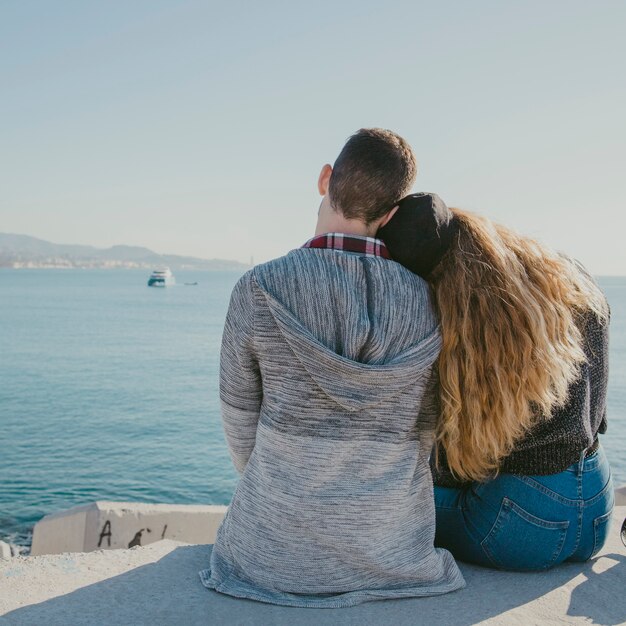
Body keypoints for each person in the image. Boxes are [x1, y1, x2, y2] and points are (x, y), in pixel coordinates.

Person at [199, 130, 465, 607]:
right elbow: (425, 431)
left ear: (325, 179)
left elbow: (240, 429)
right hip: (392, 554)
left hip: (270, 557)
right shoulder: (428, 303)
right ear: (390, 214)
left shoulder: (258, 287)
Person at [378, 193, 613, 571]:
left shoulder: (463, 331)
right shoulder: (566, 277)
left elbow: (462, 460)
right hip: (597, 506)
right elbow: (594, 409)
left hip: (522, 525)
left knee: (386, 505)